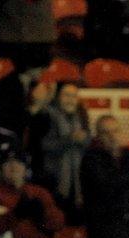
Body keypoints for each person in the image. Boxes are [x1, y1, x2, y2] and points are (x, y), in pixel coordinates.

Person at [80, 115, 129, 238]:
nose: (112, 136)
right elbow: (106, 188)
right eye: (106, 132)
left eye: (115, 131)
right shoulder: (91, 159)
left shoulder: (127, 156)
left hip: (127, 229)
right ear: (98, 135)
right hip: (103, 231)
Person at [29, 82, 90, 223]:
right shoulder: (46, 116)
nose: (70, 99)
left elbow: (87, 143)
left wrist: (83, 140)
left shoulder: (81, 117)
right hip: (52, 181)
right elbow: (42, 146)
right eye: (66, 95)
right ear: (57, 97)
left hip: (75, 183)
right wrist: (70, 139)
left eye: (74, 96)